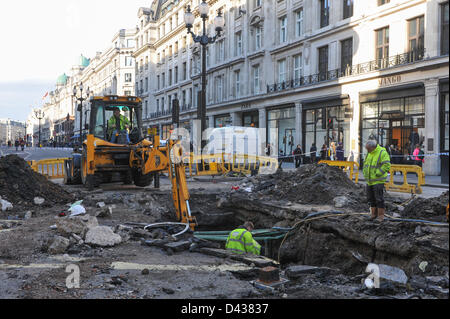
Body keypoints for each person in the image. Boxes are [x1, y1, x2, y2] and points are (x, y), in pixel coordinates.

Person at [363, 140, 391, 222]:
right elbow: (366, 164)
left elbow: (387, 165)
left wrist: (378, 173)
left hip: (378, 181)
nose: (367, 151)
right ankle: (373, 214)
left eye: (368, 149)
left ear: (372, 147)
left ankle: (381, 216)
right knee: (370, 198)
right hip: (370, 181)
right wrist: (365, 173)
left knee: (379, 198)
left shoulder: (382, 152)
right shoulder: (370, 153)